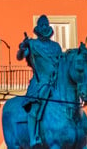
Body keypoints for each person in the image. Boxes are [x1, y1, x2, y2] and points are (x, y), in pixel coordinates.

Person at [17, 15, 63, 149]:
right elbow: (20, 56)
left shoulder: (56, 46)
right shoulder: (33, 44)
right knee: (36, 108)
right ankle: (33, 138)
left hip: (56, 81)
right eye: (42, 25)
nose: (44, 27)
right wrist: (22, 47)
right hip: (41, 82)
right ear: (38, 28)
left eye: (46, 25)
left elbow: (62, 62)